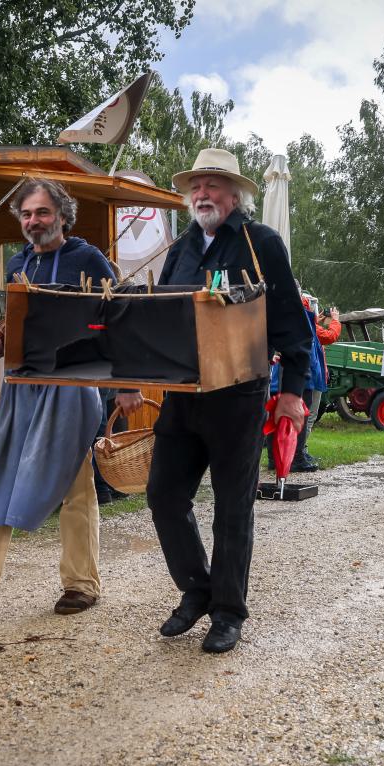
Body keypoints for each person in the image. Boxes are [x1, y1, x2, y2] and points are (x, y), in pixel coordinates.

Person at [133, 148, 312, 654]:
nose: (202, 194)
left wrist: (292, 392)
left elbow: (292, 323)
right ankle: (197, 589)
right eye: (196, 186)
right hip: (184, 394)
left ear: (235, 195)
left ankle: (229, 613)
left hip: (238, 396)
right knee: (164, 495)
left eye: (212, 185)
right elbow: (163, 317)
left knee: (232, 507)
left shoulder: (262, 243)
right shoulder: (181, 248)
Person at [0, 178, 130, 617]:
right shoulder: (18, 264)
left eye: (42, 212)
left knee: (75, 484)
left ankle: (81, 584)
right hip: (22, 386)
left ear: (62, 215)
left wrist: (127, 384)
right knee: (3, 474)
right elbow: (20, 326)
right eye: (26, 214)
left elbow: (121, 317)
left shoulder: (88, 259)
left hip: (71, 387)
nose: (33, 221)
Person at [292, 295, 341, 471]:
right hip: (312, 376)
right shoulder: (308, 324)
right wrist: (335, 320)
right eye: (311, 306)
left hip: (309, 375)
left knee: (306, 416)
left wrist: (316, 320)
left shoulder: (301, 323)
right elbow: (330, 335)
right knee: (309, 416)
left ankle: (300, 451)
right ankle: (300, 453)